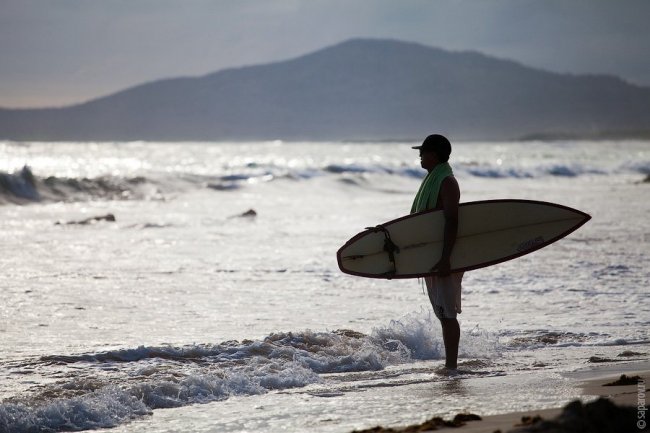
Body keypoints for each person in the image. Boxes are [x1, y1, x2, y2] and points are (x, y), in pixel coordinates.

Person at [411, 134, 462, 370]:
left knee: (448, 314)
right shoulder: (433, 180)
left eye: (423, 152)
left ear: (434, 155)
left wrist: (445, 260)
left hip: (445, 259)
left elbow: (452, 221)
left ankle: (451, 366)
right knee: (443, 314)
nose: (420, 156)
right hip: (436, 258)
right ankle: (449, 365)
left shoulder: (447, 182)